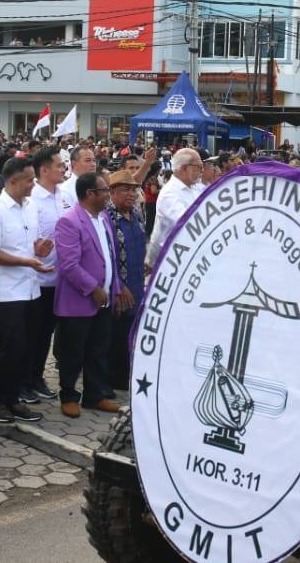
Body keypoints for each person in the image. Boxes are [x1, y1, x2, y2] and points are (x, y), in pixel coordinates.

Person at [0, 157, 52, 424]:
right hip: (7, 293)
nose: (33, 184)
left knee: (25, 349)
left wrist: (38, 250)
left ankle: (13, 399)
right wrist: (26, 261)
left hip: (31, 288)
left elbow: (27, 244)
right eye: (29, 180)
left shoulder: (30, 206)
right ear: (12, 181)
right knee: (10, 349)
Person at [53, 171, 123, 418]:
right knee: (73, 352)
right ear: (90, 194)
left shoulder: (103, 218)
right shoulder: (69, 221)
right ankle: (69, 395)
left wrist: (115, 288)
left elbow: (110, 257)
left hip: (103, 299)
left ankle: (95, 395)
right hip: (79, 301)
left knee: (98, 349)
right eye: (104, 190)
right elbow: (69, 264)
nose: (108, 195)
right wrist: (93, 288)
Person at [26, 147, 70, 403]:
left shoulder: (63, 195)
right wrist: (35, 249)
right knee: (33, 334)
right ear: (44, 170)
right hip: (37, 279)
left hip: (59, 278)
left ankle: (37, 376)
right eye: (59, 165)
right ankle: (25, 380)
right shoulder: (32, 198)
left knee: (46, 334)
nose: (63, 169)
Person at [104, 170, 145, 392]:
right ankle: (114, 379)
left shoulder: (136, 214)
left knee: (131, 332)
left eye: (134, 189)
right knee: (116, 336)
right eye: (125, 189)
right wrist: (119, 285)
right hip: (119, 288)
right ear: (112, 192)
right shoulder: (107, 218)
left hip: (137, 283)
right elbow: (106, 257)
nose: (131, 194)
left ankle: (126, 374)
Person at [146, 148, 203, 269]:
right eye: (198, 167)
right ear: (184, 168)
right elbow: (187, 222)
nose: (201, 170)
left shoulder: (195, 188)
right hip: (172, 262)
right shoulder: (170, 193)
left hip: (192, 257)